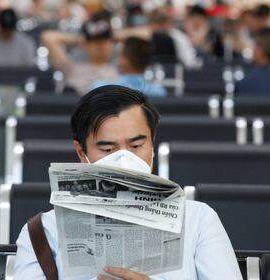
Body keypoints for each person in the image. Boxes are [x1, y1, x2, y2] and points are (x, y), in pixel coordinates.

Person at [14, 85, 243, 279]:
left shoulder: (199, 220)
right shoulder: (44, 232)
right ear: (81, 152)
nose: (124, 159)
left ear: (152, 144)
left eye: (136, 146)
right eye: (107, 148)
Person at [42, 10, 118, 95]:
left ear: (112, 42)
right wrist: (81, 39)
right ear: (86, 44)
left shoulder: (121, 67)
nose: (101, 46)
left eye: (105, 41)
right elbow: (48, 37)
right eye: (95, 42)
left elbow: (136, 34)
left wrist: (114, 36)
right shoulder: (72, 67)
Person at [115, 7, 199, 69]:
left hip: (179, 75)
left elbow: (189, 63)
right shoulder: (146, 34)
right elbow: (117, 35)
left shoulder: (177, 37)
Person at [93, 37, 167, 97]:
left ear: (125, 60)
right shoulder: (158, 92)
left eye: (121, 55)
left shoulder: (100, 88)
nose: (118, 60)